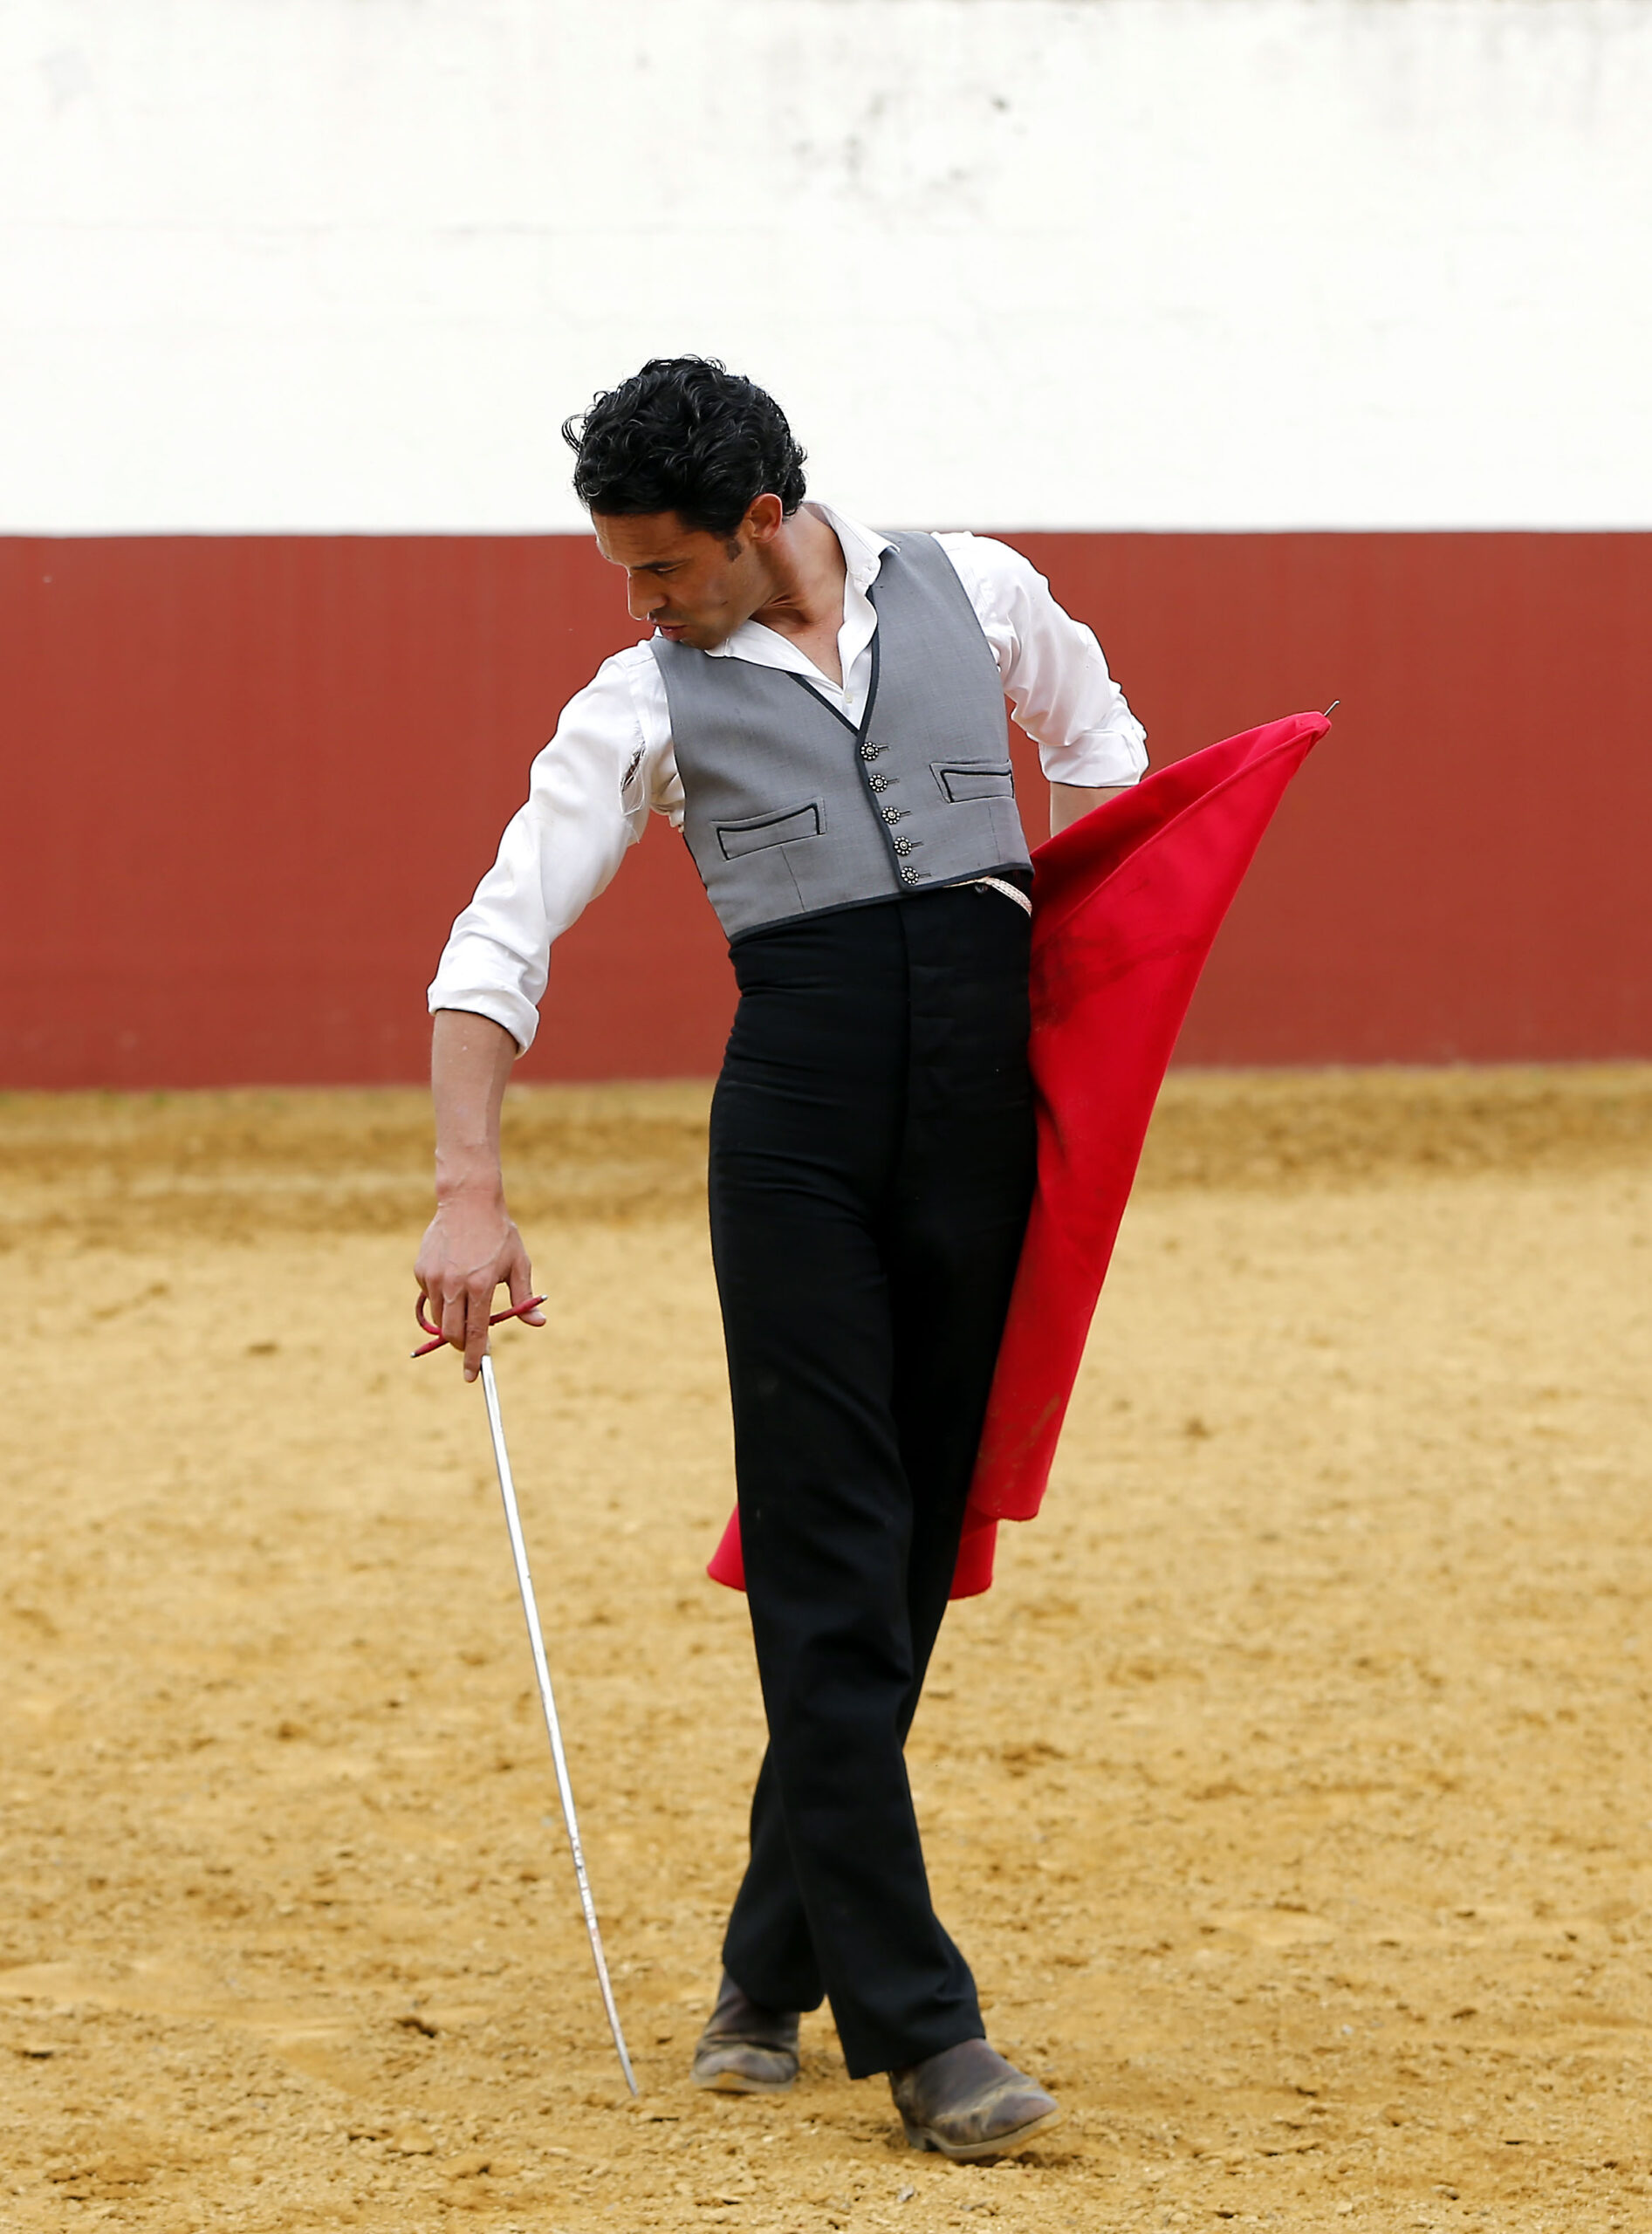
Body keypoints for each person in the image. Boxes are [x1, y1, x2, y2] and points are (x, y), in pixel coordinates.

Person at [415, 358, 1147, 2159]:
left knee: (894, 1572)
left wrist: (1093, 996)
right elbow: (498, 933)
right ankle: (927, 2032)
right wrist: (465, 1185)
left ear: (759, 521)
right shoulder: (635, 697)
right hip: (799, 1136)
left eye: (660, 566)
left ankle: (763, 1962)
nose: (639, 600)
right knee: (831, 1561)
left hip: (980, 1124)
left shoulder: (974, 587)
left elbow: (1114, 760)